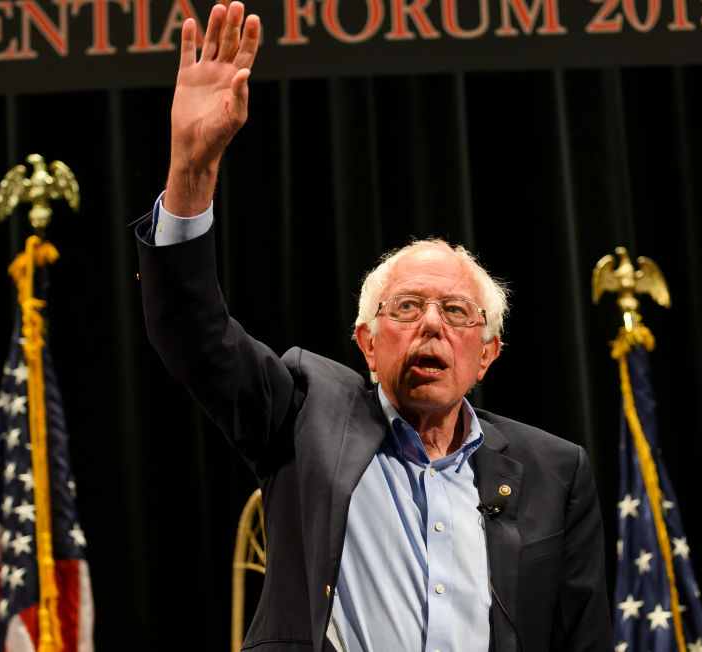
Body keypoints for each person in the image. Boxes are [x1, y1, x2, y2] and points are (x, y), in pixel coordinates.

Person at [134, 3, 613, 650]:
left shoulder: (555, 471)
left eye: (456, 313)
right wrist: (191, 170)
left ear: (488, 352)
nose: (431, 327)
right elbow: (193, 332)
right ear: (365, 340)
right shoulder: (303, 414)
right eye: (407, 308)